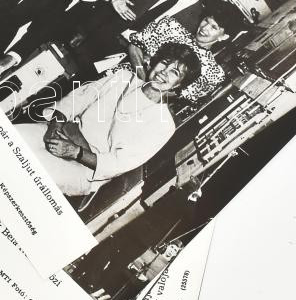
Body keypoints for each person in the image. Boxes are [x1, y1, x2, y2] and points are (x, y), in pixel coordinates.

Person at [0, 0, 227, 83]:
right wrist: (84, 28)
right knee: (36, 67)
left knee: (62, 88)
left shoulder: (194, 21)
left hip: (117, 61)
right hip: (88, 36)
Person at [13, 42, 201, 197]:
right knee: (11, 138)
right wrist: (54, 127)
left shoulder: (163, 125)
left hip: (85, 169)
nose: (164, 71)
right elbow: (77, 99)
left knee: (31, 170)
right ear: (155, 62)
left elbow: (119, 164)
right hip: (62, 132)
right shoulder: (123, 77)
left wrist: (75, 152)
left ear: (178, 85)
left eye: (175, 72)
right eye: (164, 63)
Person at [126, 0, 248, 102]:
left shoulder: (212, 73)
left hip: (145, 100)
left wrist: (151, 84)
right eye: (206, 20)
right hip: (124, 75)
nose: (205, 28)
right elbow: (134, 46)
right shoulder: (170, 27)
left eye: (213, 27)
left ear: (224, 36)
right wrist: (144, 78)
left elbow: (178, 96)